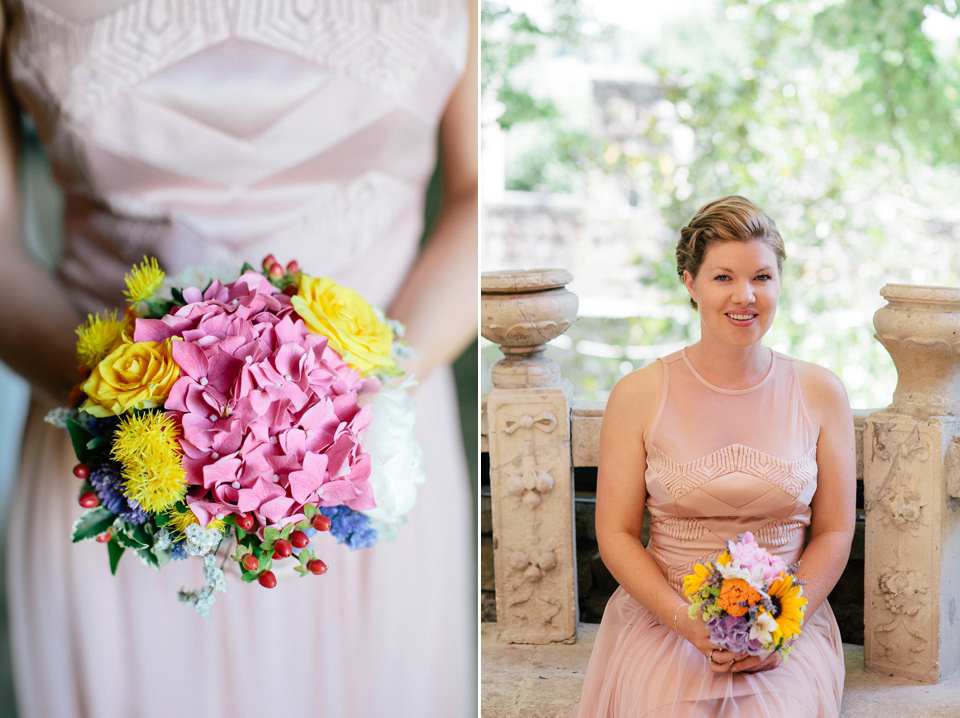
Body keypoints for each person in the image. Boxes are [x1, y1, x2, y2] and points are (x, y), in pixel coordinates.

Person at [0, 1, 478, 716]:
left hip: (369, 449)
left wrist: (345, 407)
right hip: (115, 457)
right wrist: (137, 418)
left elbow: (480, 197)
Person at [572, 196, 855, 717]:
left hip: (787, 621)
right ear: (690, 282)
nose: (745, 296)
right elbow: (614, 533)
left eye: (762, 277)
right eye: (723, 277)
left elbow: (835, 529)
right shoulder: (638, 394)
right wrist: (687, 622)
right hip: (666, 617)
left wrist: (782, 624)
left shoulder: (820, 391)